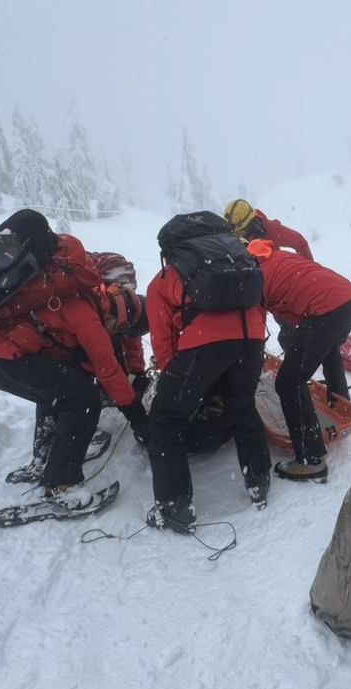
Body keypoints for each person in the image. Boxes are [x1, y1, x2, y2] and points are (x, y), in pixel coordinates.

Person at [0, 239, 147, 510]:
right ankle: (62, 484)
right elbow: (107, 370)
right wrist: (136, 414)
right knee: (83, 399)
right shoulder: (87, 312)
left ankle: (45, 457)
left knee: (59, 389)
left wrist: (135, 372)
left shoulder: (73, 294)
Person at [144, 213, 273, 534]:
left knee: (166, 417)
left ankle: (174, 507)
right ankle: (258, 479)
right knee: (242, 405)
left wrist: (175, 381)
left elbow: (163, 342)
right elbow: (259, 306)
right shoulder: (240, 264)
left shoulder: (166, 278)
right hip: (252, 338)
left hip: (204, 345)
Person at [246, 238, 351, 483]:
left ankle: (311, 460)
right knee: (324, 350)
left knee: (288, 382)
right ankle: (339, 401)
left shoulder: (254, 278)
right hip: (349, 298)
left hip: (327, 309)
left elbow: (254, 332)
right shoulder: (276, 256)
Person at [224, 199, 314, 260]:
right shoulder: (229, 235)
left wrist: (308, 271)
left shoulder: (270, 230)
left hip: (274, 276)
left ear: (248, 225)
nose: (234, 236)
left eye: (238, 233)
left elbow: (299, 241)